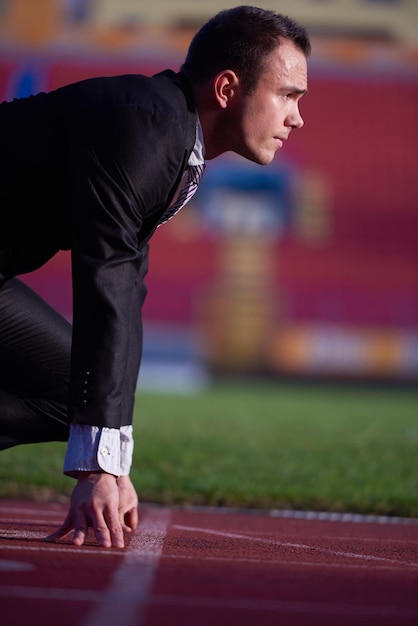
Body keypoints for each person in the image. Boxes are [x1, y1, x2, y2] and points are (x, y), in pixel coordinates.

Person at [0, 5, 310, 548]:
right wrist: (96, 471)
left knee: (71, 389)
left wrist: (114, 463)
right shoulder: (145, 124)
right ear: (227, 87)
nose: (297, 118)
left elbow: (126, 293)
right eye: (288, 95)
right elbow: (106, 281)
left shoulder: (175, 143)